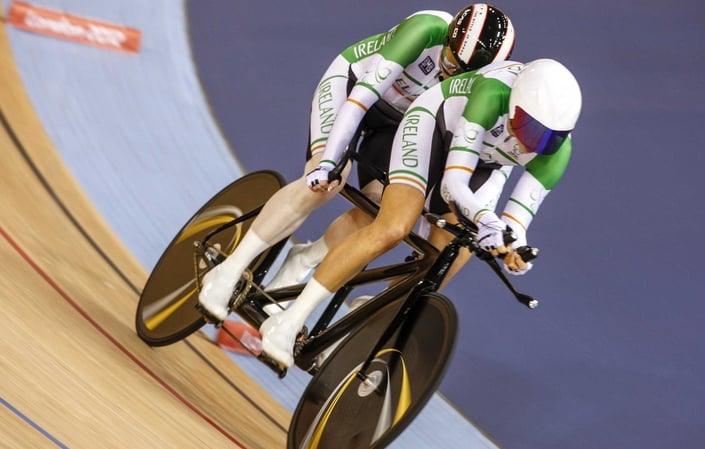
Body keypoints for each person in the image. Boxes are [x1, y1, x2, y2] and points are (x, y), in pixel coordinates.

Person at [198, 4, 516, 322]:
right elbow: (361, 98)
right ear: (447, 40)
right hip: (352, 88)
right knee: (326, 183)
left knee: (376, 209)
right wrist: (329, 162)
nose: (451, 74)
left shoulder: (484, 86)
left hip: (399, 123)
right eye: (450, 62)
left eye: (464, 74)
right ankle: (229, 271)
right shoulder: (426, 30)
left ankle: (303, 259)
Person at [260, 58, 583, 368]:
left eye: (547, 139)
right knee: (393, 227)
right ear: (513, 104)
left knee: (450, 257)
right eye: (528, 129)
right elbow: (453, 184)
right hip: (434, 126)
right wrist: (486, 220)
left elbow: (516, 223)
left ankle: (360, 320)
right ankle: (288, 322)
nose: (532, 144)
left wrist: (514, 252)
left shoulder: (557, 152)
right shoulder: (492, 94)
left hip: (486, 163)